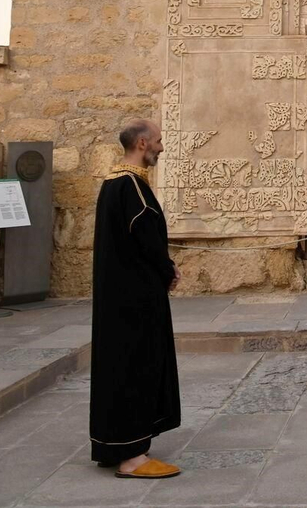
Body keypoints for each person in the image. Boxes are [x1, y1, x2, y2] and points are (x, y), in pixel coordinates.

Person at [89, 118, 183, 479]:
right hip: (135, 300)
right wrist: (168, 269)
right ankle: (132, 458)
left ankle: (114, 446)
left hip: (120, 298)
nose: (161, 147)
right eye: (157, 141)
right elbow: (146, 238)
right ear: (142, 144)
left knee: (118, 368)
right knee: (136, 368)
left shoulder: (113, 183)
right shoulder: (131, 186)